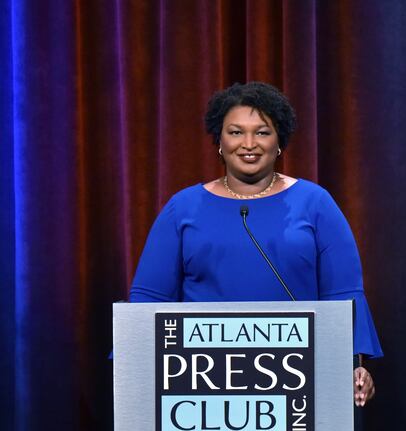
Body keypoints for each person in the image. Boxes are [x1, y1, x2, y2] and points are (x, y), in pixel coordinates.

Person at [130, 81, 382, 407]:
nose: (248, 144)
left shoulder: (315, 203)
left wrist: (354, 366)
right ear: (219, 142)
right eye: (235, 132)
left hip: (299, 378)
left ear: (279, 142)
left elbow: (345, 293)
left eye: (262, 132)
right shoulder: (183, 208)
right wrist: (135, 369)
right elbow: (149, 299)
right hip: (201, 381)